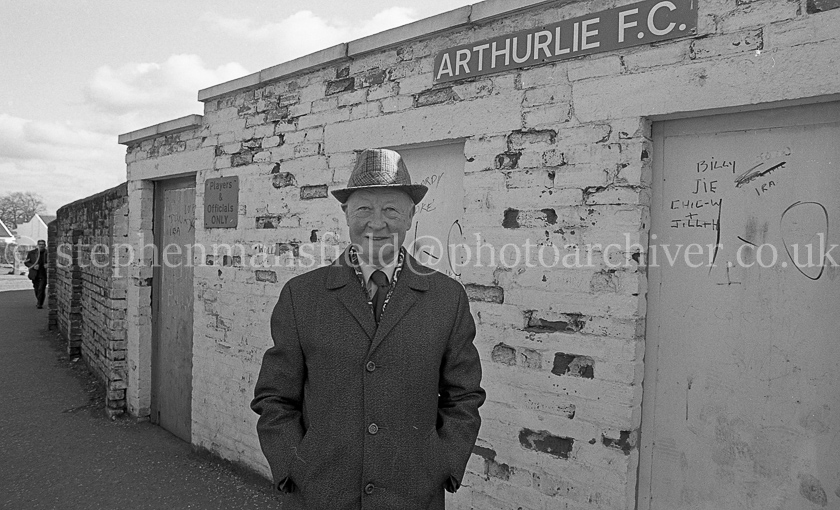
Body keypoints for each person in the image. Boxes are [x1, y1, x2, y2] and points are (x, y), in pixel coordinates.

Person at [251, 148, 485, 510]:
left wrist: (443, 464)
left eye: (391, 209)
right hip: (319, 495)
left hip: (413, 495)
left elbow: (464, 397)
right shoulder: (302, 296)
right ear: (346, 215)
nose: (377, 223)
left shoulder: (446, 298)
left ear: (410, 216)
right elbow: (274, 398)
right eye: (363, 209)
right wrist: (293, 466)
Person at [24, 239, 48, 309]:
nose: (41, 246)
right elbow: (26, 262)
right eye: (40, 244)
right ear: (37, 245)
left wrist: (48, 264)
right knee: (37, 288)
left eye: (42, 244)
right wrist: (33, 266)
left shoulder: (48, 253)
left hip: (44, 274)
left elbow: (54, 261)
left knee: (41, 288)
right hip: (35, 274)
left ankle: (39, 303)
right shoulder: (31, 253)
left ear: (45, 245)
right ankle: (39, 300)